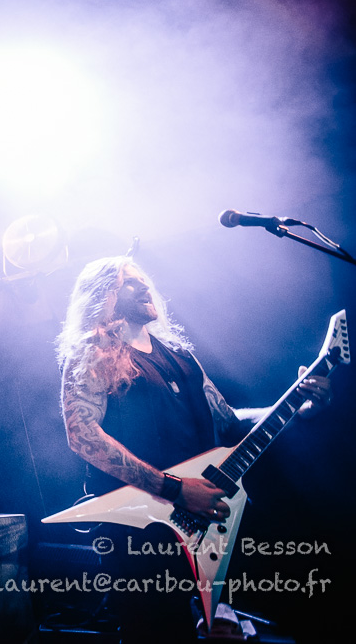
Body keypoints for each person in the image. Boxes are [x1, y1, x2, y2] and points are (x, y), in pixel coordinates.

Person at [55, 256, 331, 642]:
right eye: (128, 281)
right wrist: (175, 489)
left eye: (143, 278)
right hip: (139, 532)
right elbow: (82, 436)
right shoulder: (95, 351)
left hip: (200, 525)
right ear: (103, 296)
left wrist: (294, 408)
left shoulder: (179, 355)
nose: (144, 285)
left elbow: (228, 421)